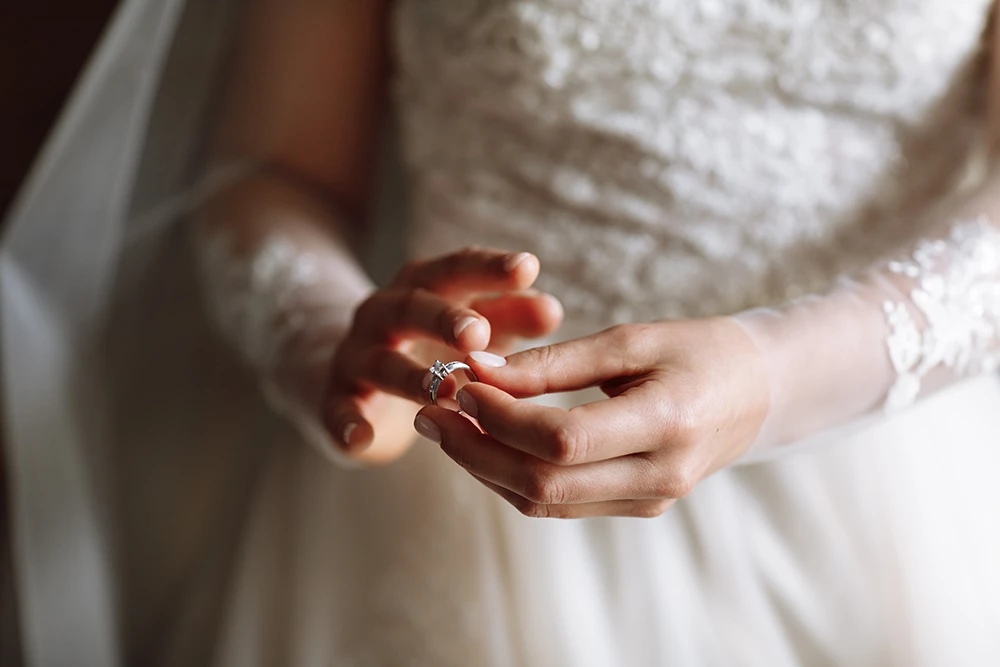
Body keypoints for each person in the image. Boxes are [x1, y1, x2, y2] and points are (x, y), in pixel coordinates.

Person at [5, 0, 1000, 665]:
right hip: (451, 477)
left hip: (885, 486)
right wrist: (325, 336)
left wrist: (775, 373)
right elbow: (272, 172)